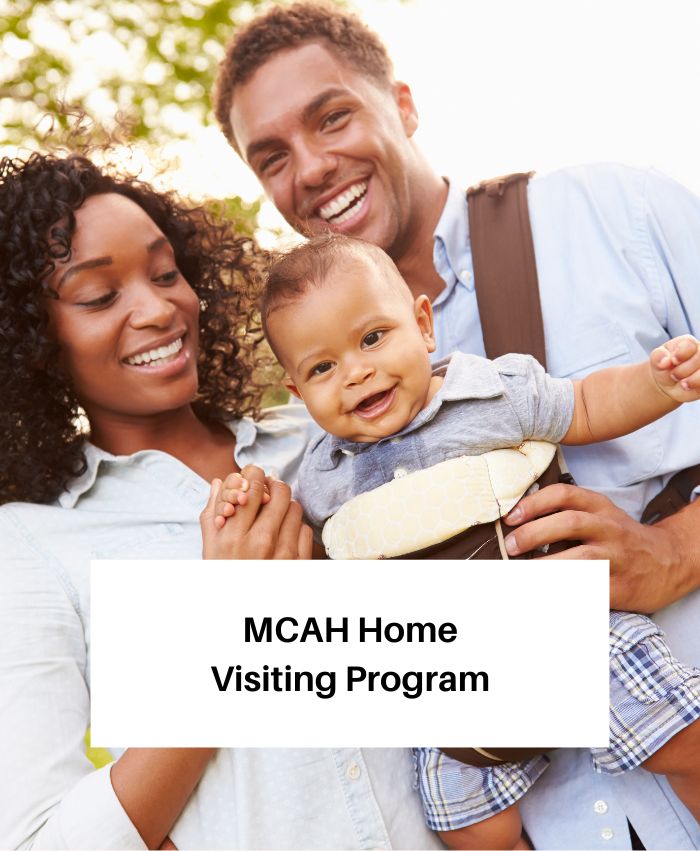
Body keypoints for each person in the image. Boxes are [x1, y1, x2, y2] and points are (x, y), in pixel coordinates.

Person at [212, 3, 700, 848]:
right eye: (273, 158)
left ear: (401, 103)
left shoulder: (613, 214)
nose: (314, 167)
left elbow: (590, 405)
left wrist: (679, 551)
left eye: (334, 117)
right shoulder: (316, 438)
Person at [0, 151, 441, 851]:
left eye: (166, 272)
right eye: (98, 296)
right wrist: (226, 619)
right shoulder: (33, 542)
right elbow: (40, 839)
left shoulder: (328, 438)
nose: (157, 308)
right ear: (33, 342)